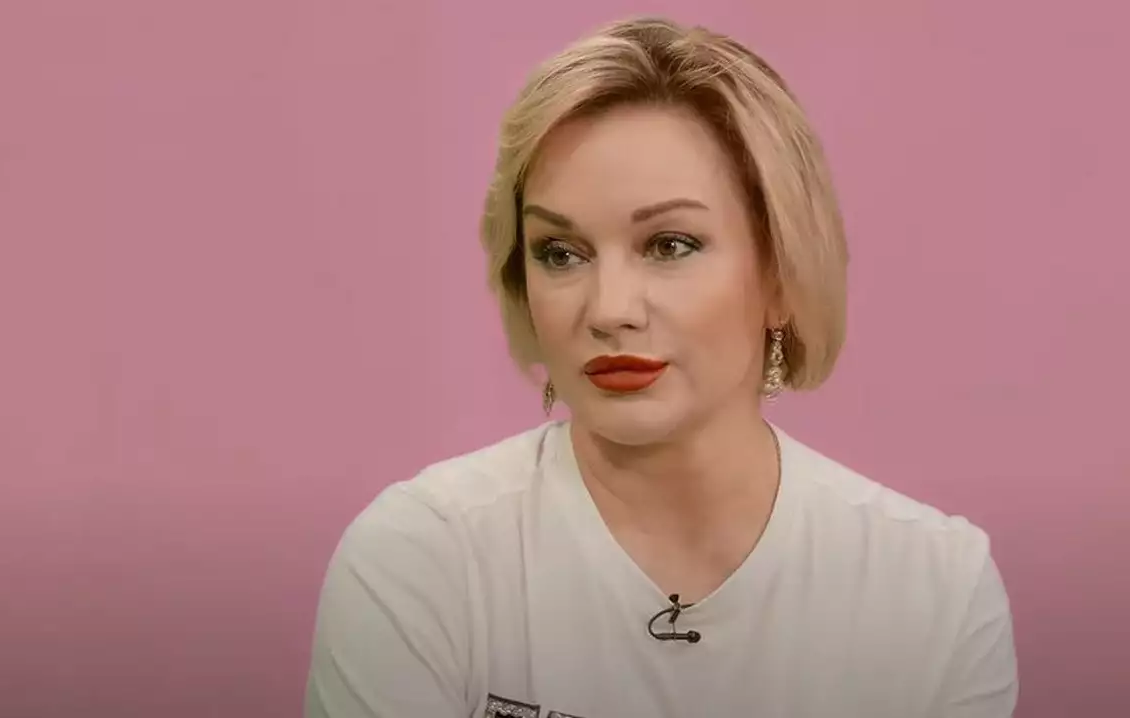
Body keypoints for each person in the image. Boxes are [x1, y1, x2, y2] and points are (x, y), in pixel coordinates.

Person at [304, 16, 1018, 718]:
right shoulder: (421, 558)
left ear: (780, 273)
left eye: (670, 245)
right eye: (561, 253)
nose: (609, 309)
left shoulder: (934, 593)